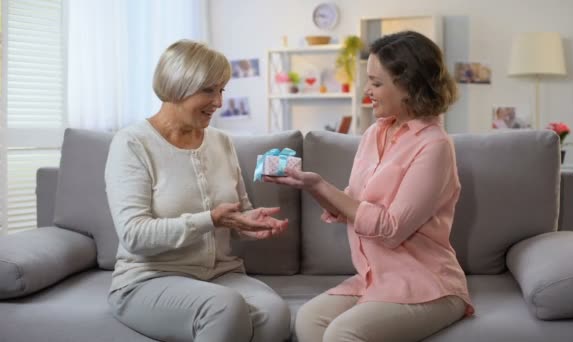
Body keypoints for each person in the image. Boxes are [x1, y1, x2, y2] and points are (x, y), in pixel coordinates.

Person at [264, 31, 474, 342]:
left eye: (376, 83)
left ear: (408, 86)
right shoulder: (374, 134)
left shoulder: (434, 146)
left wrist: (321, 183)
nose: (367, 91)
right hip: (376, 278)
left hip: (429, 284)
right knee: (308, 320)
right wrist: (310, 185)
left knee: (342, 334)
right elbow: (352, 204)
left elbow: (390, 229)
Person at [104, 39, 291, 342]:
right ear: (178, 85)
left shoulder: (221, 142)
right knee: (223, 307)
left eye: (221, 91)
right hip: (149, 279)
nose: (219, 102)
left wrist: (249, 225)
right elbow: (134, 236)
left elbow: (236, 212)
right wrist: (210, 220)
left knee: (275, 315)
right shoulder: (132, 144)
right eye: (209, 90)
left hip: (220, 274)